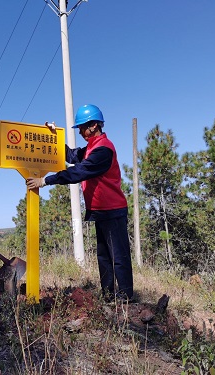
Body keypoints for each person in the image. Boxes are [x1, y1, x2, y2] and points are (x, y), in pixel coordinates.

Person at [26, 104, 134, 302]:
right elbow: (70, 156)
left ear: (94, 126)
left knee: (119, 257)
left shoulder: (103, 150)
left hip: (113, 210)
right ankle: (108, 296)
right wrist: (54, 136)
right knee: (103, 256)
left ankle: (126, 298)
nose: (82, 132)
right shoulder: (92, 147)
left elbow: (79, 171)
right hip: (101, 211)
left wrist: (46, 181)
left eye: (82, 127)